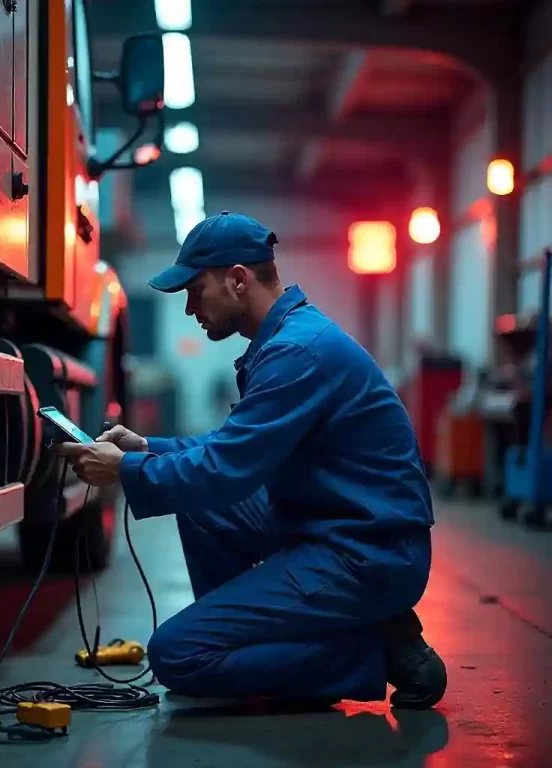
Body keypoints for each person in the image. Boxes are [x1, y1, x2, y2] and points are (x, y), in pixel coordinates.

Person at [55, 211, 447, 709]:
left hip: (368, 553)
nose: (190, 307)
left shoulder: (297, 353)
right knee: (203, 506)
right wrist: (145, 449)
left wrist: (123, 470)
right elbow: (232, 447)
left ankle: (372, 652)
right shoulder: (287, 340)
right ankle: (249, 637)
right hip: (334, 526)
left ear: (237, 279)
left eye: (195, 290)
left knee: (177, 656)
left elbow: (224, 470)